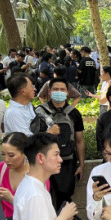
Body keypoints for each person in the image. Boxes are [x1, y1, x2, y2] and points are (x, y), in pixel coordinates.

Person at [30, 78, 85, 208]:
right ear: (49, 92)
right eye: (55, 89)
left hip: (67, 161)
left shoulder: (74, 113)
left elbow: (80, 140)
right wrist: (48, 132)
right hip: (42, 162)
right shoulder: (39, 112)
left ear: (67, 92)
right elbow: (33, 138)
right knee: (43, 196)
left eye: (62, 89)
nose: (59, 92)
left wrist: (81, 164)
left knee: (64, 196)